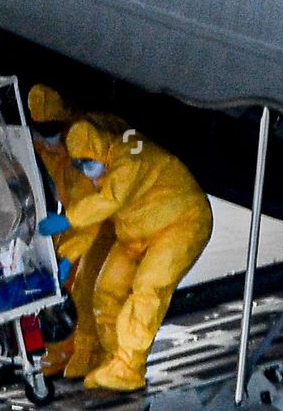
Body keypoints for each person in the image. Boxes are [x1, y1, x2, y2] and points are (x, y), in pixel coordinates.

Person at [37, 120, 213, 391]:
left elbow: (110, 200)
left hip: (180, 224)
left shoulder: (129, 156)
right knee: (105, 292)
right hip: (136, 232)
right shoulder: (97, 168)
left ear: (97, 149)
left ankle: (129, 367)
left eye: (86, 162)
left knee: (147, 290)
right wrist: (68, 255)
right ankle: (112, 359)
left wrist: (68, 219)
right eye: (79, 164)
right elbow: (93, 216)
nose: (84, 169)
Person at [26, 85, 122, 379]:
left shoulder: (81, 147)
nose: (46, 133)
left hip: (105, 222)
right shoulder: (47, 146)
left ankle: (99, 354)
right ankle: (64, 348)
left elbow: (90, 214)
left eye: (51, 127)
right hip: (73, 220)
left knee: (89, 287)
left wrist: (67, 253)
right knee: (64, 283)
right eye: (40, 127)